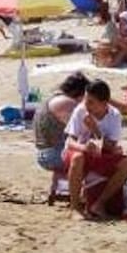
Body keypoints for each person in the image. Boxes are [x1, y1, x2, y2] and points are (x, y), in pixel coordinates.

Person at [62, 79, 127, 219]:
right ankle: (75, 207)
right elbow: (70, 141)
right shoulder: (80, 111)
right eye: (85, 100)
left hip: (100, 154)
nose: (86, 104)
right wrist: (84, 147)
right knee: (78, 158)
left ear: (104, 103)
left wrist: (95, 130)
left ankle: (99, 203)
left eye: (91, 102)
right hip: (80, 152)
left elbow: (111, 146)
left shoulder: (114, 115)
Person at [35, 72, 91, 202]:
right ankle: (78, 192)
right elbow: (82, 128)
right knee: (88, 157)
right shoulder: (67, 103)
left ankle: (59, 189)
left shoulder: (53, 99)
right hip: (52, 154)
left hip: (46, 152)